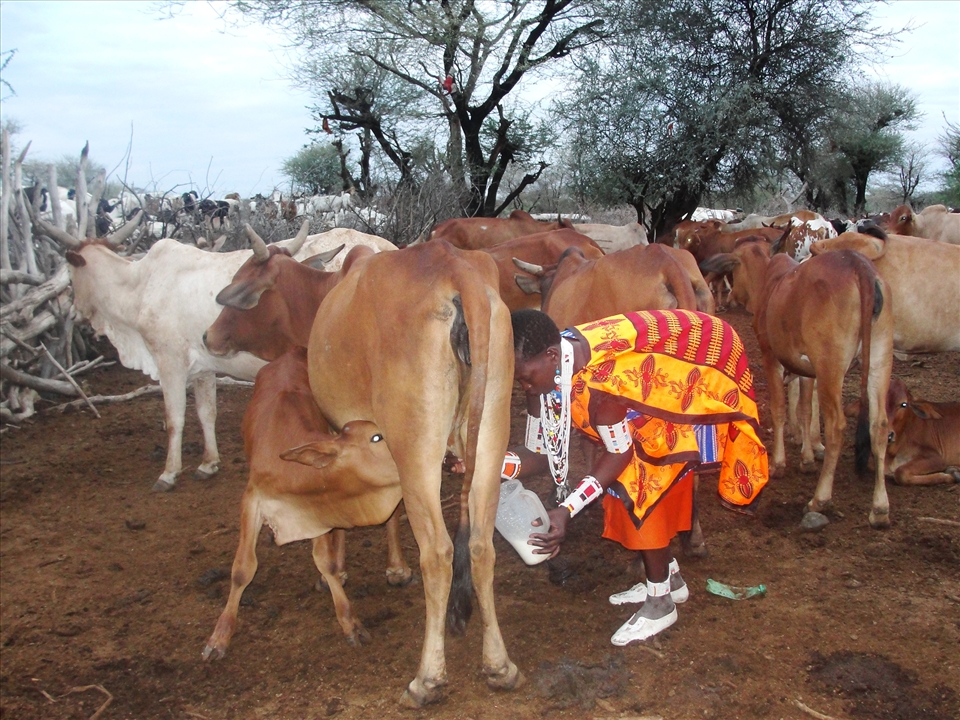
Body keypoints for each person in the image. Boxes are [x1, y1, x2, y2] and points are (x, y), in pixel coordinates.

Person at [504, 309, 769, 645]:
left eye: (527, 378)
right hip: (635, 416)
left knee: (640, 486)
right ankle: (670, 577)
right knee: (620, 482)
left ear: (552, 355)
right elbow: (540, 453)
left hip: (680, 388)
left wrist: (567, 510)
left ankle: (661, 601)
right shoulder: (546, 375)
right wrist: (485, 466)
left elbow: (620, 453)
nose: (525, 387)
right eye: (520, 380)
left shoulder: (603, 386)